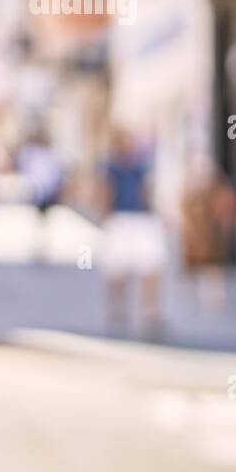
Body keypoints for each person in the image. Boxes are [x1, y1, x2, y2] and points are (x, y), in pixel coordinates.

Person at [99, 127, 166, 339]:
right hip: (120, 219)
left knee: (149, 267)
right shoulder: (111, 167)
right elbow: (105, 191)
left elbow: (146, 191)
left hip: (140, 219)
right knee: (116, 268)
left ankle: (150, 312)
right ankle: (117, 310)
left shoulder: (140, 167)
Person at [180, 154, 236, 314]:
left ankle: (213, 297)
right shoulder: (191, 191)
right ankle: (196, 292)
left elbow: (227, 207)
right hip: (196, 234)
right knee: (196, 263)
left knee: (213, 266)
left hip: (211, 234)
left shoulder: (218, 190)